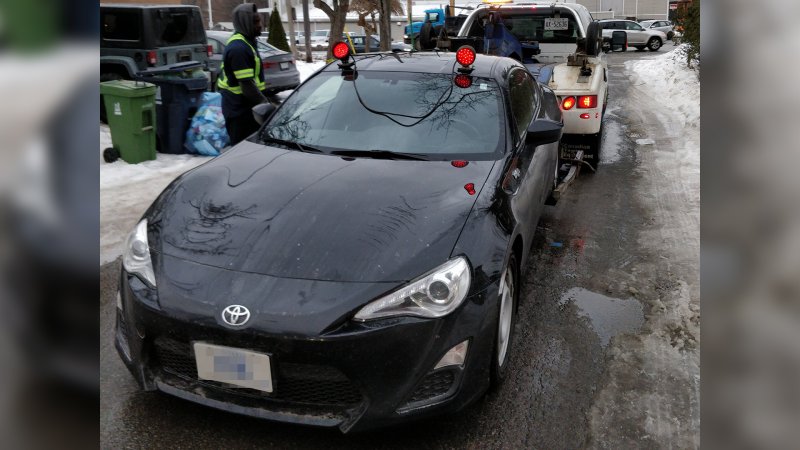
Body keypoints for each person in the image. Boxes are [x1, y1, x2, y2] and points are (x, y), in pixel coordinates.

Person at [217, 3, 269, 145]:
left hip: (246, 107)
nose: (260, 25)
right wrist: (266, 106)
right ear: (245, 23)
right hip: (239, 111)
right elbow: (247, 86)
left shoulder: (247, 42)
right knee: (243, 150)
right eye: (256, 22)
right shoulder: (239, 48)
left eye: (259, 21)